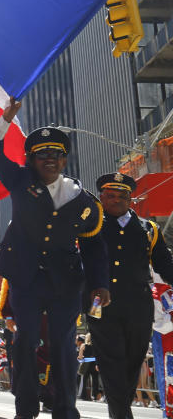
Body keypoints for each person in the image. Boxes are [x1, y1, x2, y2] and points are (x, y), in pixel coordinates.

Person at [0, 97, 110, 419]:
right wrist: (6, 118)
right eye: (41, 155)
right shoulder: (21, 181)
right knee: (25, 343)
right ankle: (25, 409)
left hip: (66, 284)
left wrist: (99, 284)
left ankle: (66, 410)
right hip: (26, 279)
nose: (49, 160)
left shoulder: (85, 202)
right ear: (31, 160)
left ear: (64, 160)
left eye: (55, 155)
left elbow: (94, 245)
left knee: (64, 346)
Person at [87, 172, 173, 419]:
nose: (116, 200)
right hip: (98, 303)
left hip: (139, 305)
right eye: (110, 195)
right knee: (111, 360)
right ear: (101, 197)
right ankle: (122, 414)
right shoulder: (90, 225)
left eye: (122, 196)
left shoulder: (149, 229)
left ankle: (120, 410)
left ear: (131, 198)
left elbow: (165, 266)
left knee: (133, 362)